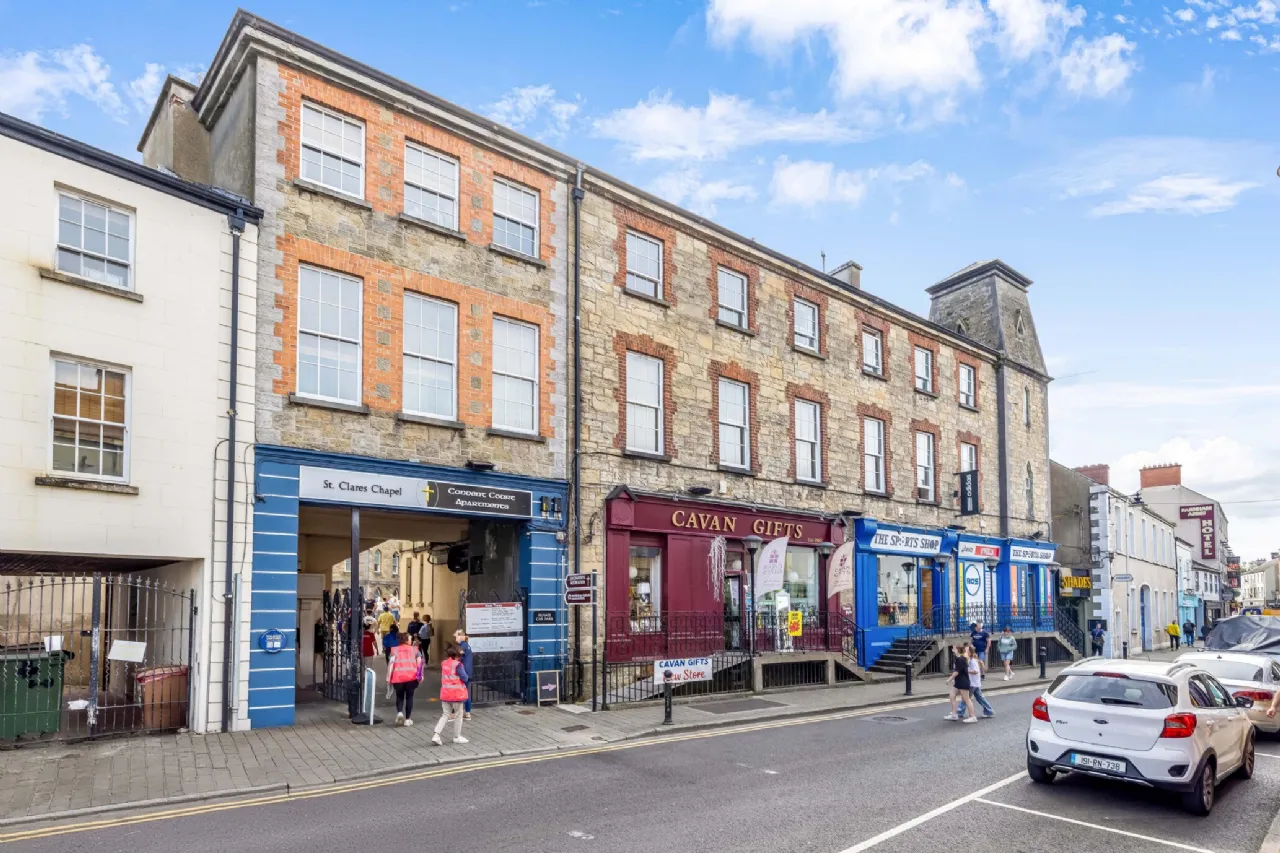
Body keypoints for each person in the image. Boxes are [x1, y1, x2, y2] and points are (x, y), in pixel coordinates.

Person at [432, 643, 470, 746]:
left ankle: (436, 735)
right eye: (460, 655)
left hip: (445, 694)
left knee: (445, 715)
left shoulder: (444, 663)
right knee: (458, 716)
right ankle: (456, 737)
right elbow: (465, 678)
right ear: (457, 655)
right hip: (456, 695)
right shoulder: (457, 665)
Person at [387, 632, 423, 726]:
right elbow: (419, 663)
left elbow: (390, 664)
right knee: (409, 697)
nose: (411, 640)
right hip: (411, 678)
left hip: (397, 678)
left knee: (399, 696)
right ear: (406, 640)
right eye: (410, 639)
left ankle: (399, 712)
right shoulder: (415, 650)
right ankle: (408, 719)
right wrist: (420, 676)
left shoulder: (394, 650)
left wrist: (388, 677)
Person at [944, 643, 977, 724]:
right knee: (952, 696)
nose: (952, 649)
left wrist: (949, 679)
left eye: (954, 648)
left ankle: (972, 717)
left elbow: (957, 671)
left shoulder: (960, 659)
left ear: (957, 649)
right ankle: (954, 715)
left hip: (963, 682)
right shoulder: (959, 658)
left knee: (966, 700)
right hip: (958, 682)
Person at [962, 643, 995, 718]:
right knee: (980, 698)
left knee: (965, 698)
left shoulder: (973, 661)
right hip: (975, 683)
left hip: (972, 683)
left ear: (970, 652)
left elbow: (976, 671)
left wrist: (966, 671)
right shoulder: (970, 660)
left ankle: (959, 711)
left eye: (966, 651)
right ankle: (989, 711)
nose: (964, 653)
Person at [455, 629, 474, 720]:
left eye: (456, 636)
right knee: (466, 692)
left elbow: (458, 659)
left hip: (463, 673)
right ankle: (467, 713)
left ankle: (456, 713)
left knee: (458, 692)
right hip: (468, 672)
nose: (455, 637)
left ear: (461, 636)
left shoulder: (462, 646)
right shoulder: (467, 645)